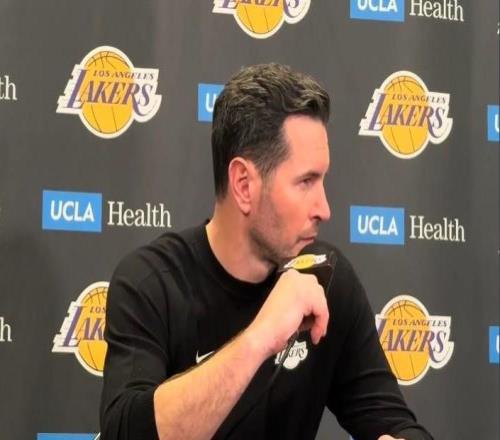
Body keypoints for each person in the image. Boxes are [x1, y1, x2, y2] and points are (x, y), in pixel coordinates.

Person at [100, 63, 433, 440]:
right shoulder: (151, 284)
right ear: (244, 185)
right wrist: (261, 337)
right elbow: (123, 433)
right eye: (305, 181)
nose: (324, 208)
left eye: (321, 180)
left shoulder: (326, 279)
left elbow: (398, 424)